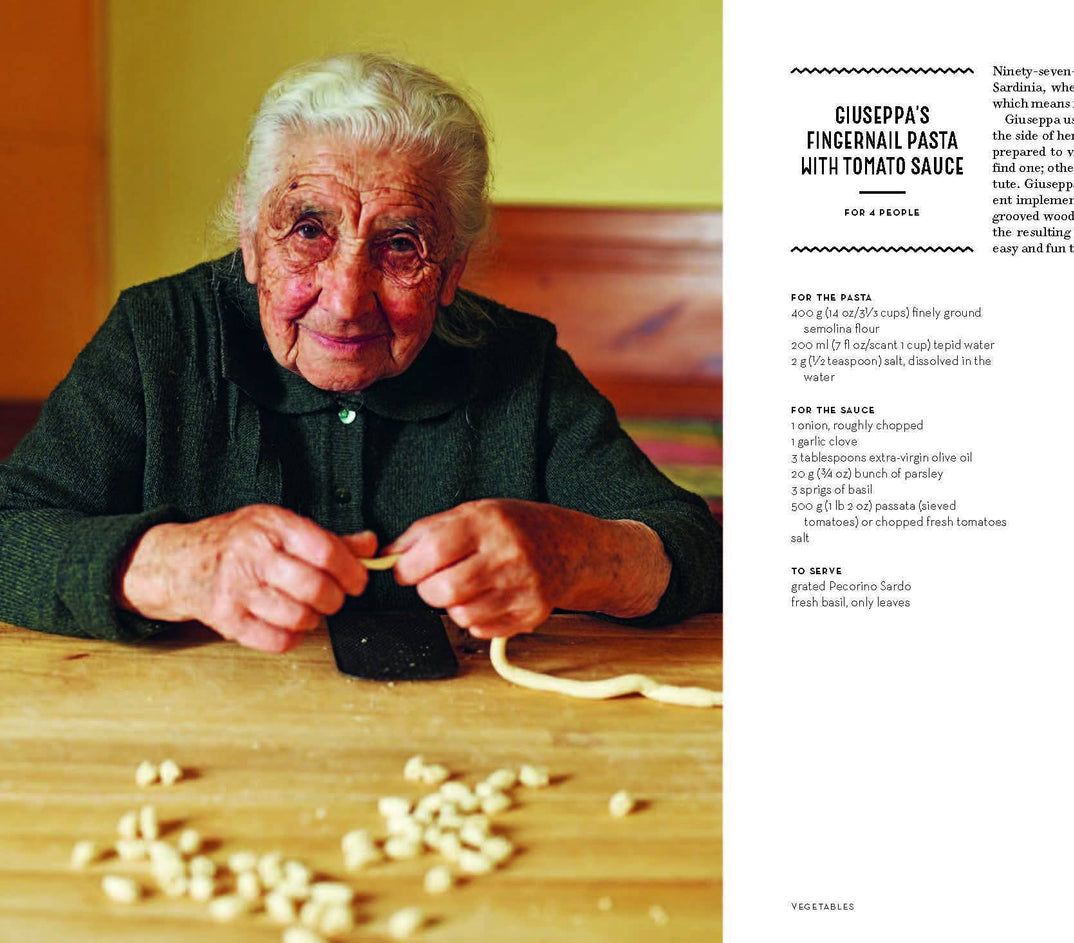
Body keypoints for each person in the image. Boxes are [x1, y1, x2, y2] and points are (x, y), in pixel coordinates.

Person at [0, 53, 721, 653]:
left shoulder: (517, 362)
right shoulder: (157, 336)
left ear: (453, 270)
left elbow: (696, 547)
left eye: (400, 245)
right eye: (308, 231)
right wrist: (170, 566)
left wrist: (578, 558)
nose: (346, 298)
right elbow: (11, 529)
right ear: (251, 239)